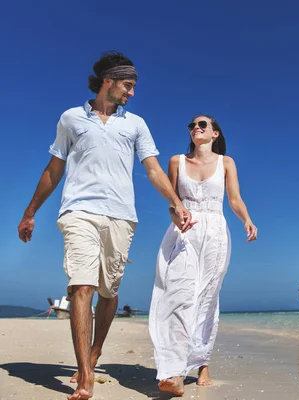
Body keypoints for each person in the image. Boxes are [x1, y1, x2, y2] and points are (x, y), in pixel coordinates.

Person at [16, 51, 192, 400]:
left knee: (108, 291)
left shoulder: (135, 124)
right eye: (128, 85)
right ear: (108, 81)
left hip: (121, 215)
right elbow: (54, 170)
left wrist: (176, 202)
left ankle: (94, 354)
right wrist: (30, 211)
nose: (132, 93)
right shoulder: (70, 119)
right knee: (81, 286)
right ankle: (85, 376)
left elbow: (154, 169)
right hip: (78, 211)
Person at [148, 114, 258, 396]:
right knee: (179, 293)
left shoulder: (226, 163)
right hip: (184, 233)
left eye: (202, 125)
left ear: (215, 134)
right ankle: (173, 371)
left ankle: (202, 363)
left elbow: (233, 199)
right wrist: (176, 219)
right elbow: (172, 202)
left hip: (215, 233)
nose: (196, 128)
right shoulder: (177, 161)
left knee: (207, 298)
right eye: (192, 126)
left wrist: (246, 219)